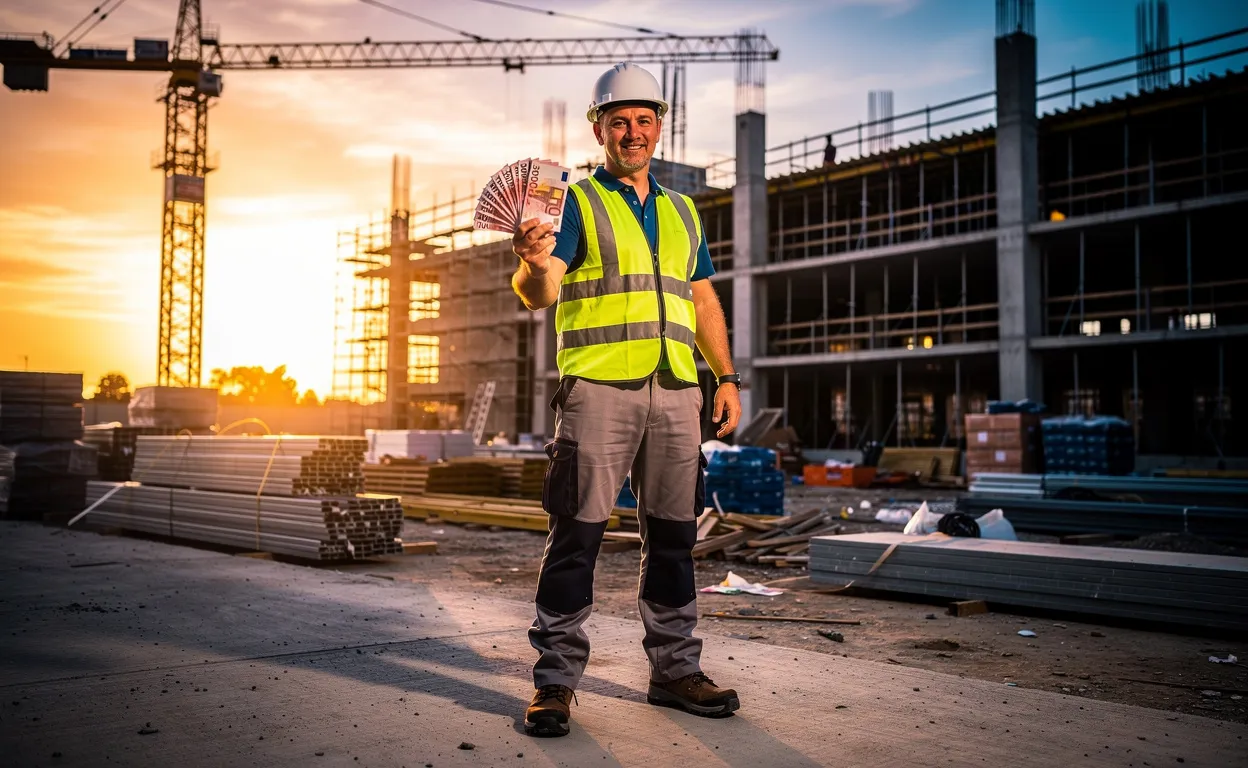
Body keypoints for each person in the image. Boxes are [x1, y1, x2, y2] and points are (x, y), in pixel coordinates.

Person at [510, 61, 743, 738]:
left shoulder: (683, 211)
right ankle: (554, 683)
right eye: (620, 122)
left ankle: (674, 671)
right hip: (599, 392)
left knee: (673, 540)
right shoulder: (577, 202)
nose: (633, 132)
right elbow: (543, 287)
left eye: (644, 121)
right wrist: (530, 263)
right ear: (600, 130)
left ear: (659, 127)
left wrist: (724, 377)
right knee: (576, 537)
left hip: (677, 392)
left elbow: (700, 298)